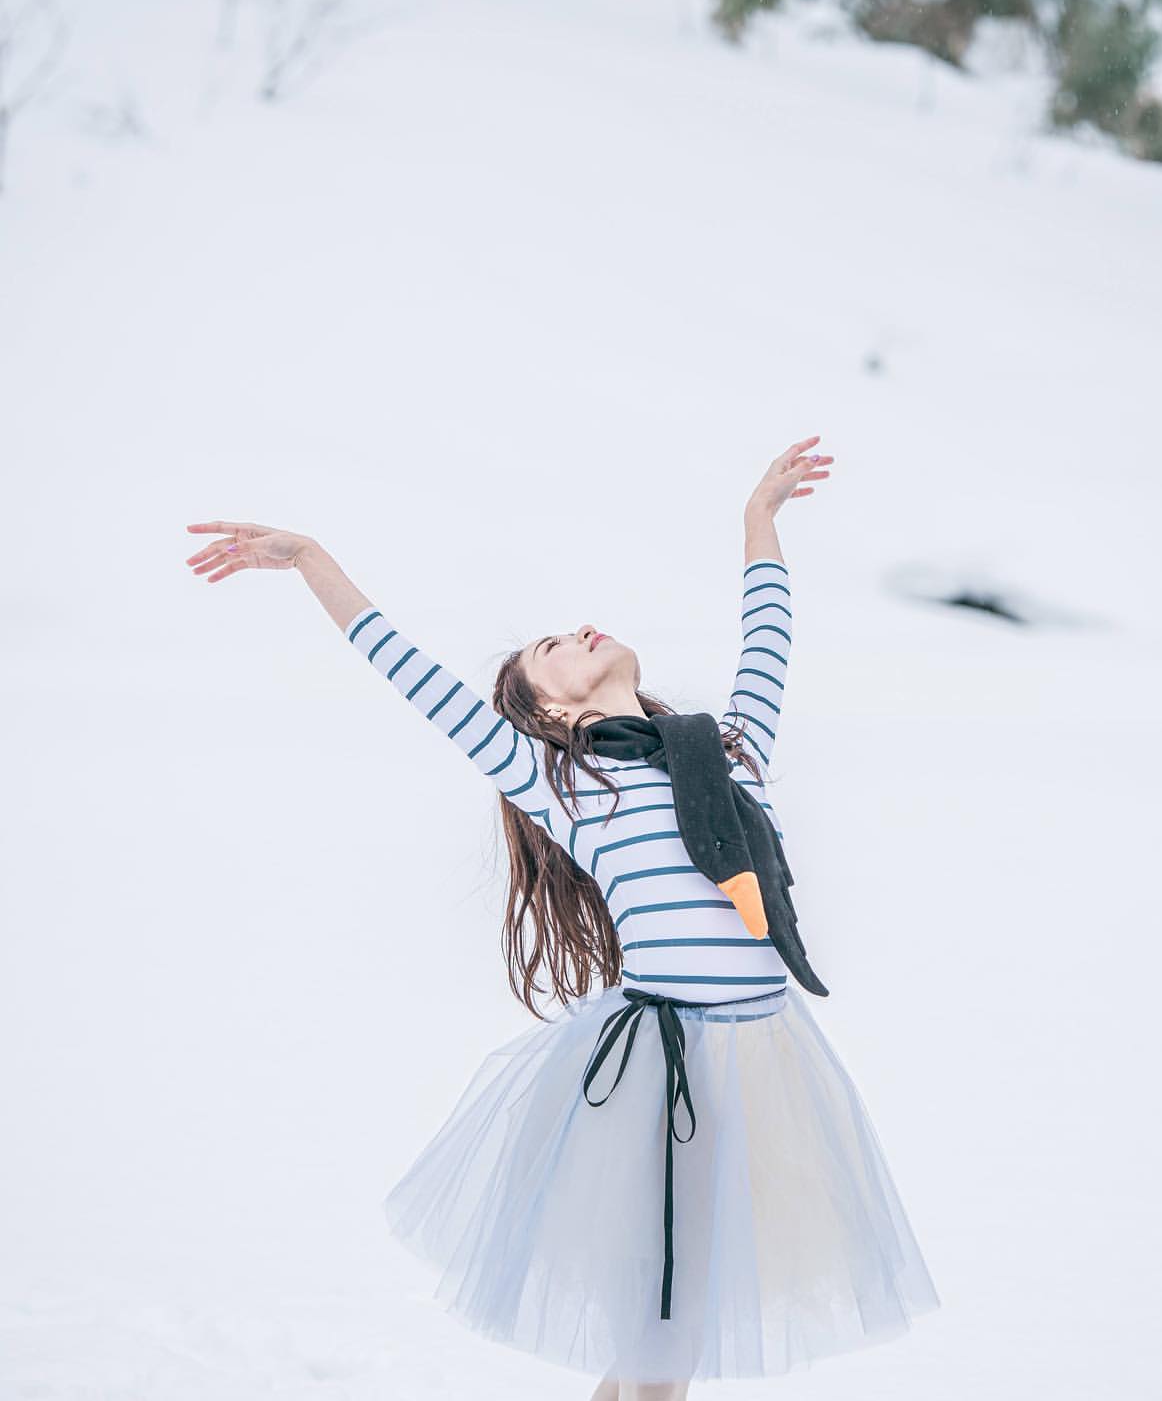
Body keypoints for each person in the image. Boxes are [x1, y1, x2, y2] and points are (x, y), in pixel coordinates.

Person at [184, 435, 939, 1397]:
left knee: (670, 1339)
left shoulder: (729, 752)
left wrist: (758, 521)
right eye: (553, 646)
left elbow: (768, 639)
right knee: (657, 1342)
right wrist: (313, 563)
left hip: (759, 1065)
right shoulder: (563, 786)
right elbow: (418, 681)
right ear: (546, 710)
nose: (580, 629)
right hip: (654, 1076)